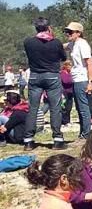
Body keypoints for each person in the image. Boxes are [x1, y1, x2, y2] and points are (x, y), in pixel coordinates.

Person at [23, 17, 67, 150]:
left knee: (33, 108)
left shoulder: (28, 42)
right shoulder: (56, 43)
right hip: (52, 76)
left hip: (35, 76)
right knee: (55, 108)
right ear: (49, 27)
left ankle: (28, 140)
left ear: (36, 28)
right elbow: (63, 58)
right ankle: (57, 139)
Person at [64, 22, 92, 140]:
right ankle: (83, 132)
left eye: (71, 32)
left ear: (78, 33)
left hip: (82, 78)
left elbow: (89, 63)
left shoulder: (83, 44)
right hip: (76, 78)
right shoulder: (73, 43)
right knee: (78, 107)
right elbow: (63, 46)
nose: (68, 34)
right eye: (67, 32)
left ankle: (86, 133)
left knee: (83, 107)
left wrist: (90, 82)